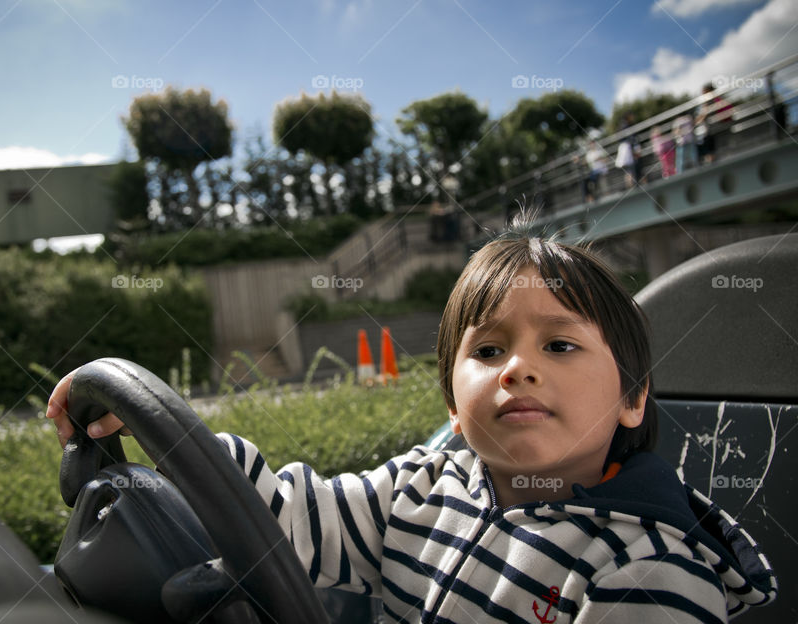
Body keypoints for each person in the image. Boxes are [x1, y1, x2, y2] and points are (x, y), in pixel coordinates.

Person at [48, 228, 777, 623]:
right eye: (488, 350)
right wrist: (175, 440)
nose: (517, 368)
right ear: (454, 408)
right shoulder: (424, 485)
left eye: (559, 345)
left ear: (632, 399)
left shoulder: (648, 575)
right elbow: (297, 520)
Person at [695, 82, 733, 164]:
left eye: (703, 91)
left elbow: (703, 115)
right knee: (725, 150)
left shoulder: (708, 100)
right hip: (724, 126)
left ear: (707, 91)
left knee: (711, 154)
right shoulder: (719, 98)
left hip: (712, 131)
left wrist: (696, 121)